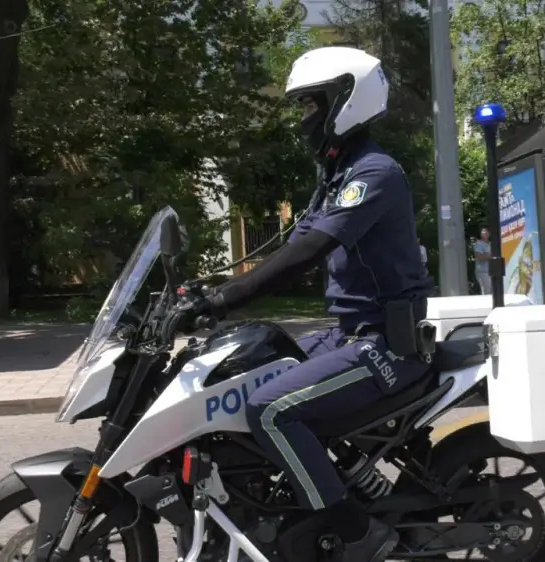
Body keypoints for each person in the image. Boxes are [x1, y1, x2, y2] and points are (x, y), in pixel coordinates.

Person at [179, 46, 432, 561]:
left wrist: (223, 301)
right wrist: (206, 289)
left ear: (346, 102)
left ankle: (357, 533)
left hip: (387, 345)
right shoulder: (339, 174)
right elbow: (289, 247)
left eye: (310, 105)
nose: (303, 119)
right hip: (350, 334)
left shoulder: (374, 173)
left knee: (269, 410)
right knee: (249, 366)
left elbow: (308, 251)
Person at [472, 228, 492, 295]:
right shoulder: (479, 243)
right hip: (482, 272)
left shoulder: (491, 244)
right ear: (480, 233)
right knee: (486, 292)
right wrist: (490, 255)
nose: (485, 233)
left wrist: (487, 255)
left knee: (492, 292)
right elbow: (479, 256)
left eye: (487, 231)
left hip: (491, 271)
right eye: (483, 231)